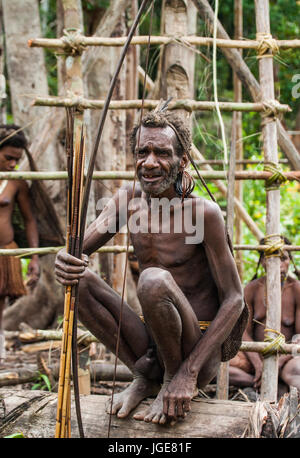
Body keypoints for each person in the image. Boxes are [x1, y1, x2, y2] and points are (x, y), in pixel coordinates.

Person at [55, 110, 248, 424]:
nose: (149, 162)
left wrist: (187, 373)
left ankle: (171, 381)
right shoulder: (128, 200)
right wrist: (64, 261)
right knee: (81, 279)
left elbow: (234, 300)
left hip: (195, 347)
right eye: (142, 152)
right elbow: (75, 254)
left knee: (153, 280)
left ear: (182, 161)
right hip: (154, 342)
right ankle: (144, 376)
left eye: (162, 153)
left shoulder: (203, 212)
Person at [229, 237, 300, 396]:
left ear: (290, 261)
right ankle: (256, 383)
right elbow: (243, 332)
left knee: (297, 371)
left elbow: (299, 336)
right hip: (254, 357)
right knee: (218, 366)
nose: (279, 265)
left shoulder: (296, 290)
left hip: (286, 358)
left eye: (284, 259)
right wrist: (258, 364)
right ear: (262, 262)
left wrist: (278, 363)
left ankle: (271, 382)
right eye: (272, 259)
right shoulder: (252, 289)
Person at [0, 125, 40, 362]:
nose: (13, 164)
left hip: (5, 250)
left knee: (0, 303)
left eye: (18, 159)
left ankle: (0, 353)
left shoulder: (16, 183)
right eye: (8, 158)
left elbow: (29, 220)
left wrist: (34, 257)